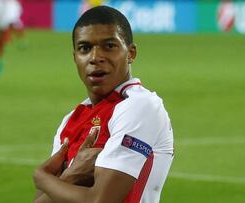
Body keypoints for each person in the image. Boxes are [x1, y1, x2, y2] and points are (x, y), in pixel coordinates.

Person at [33, 5, 174, 203]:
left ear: (131, 53)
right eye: (85, 48)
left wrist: (41, 176)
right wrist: (71, 176)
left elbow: (101, 201)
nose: (95, 57)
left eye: (109, 46)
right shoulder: (71, 120)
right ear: (75, 58)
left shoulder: (140, 106)